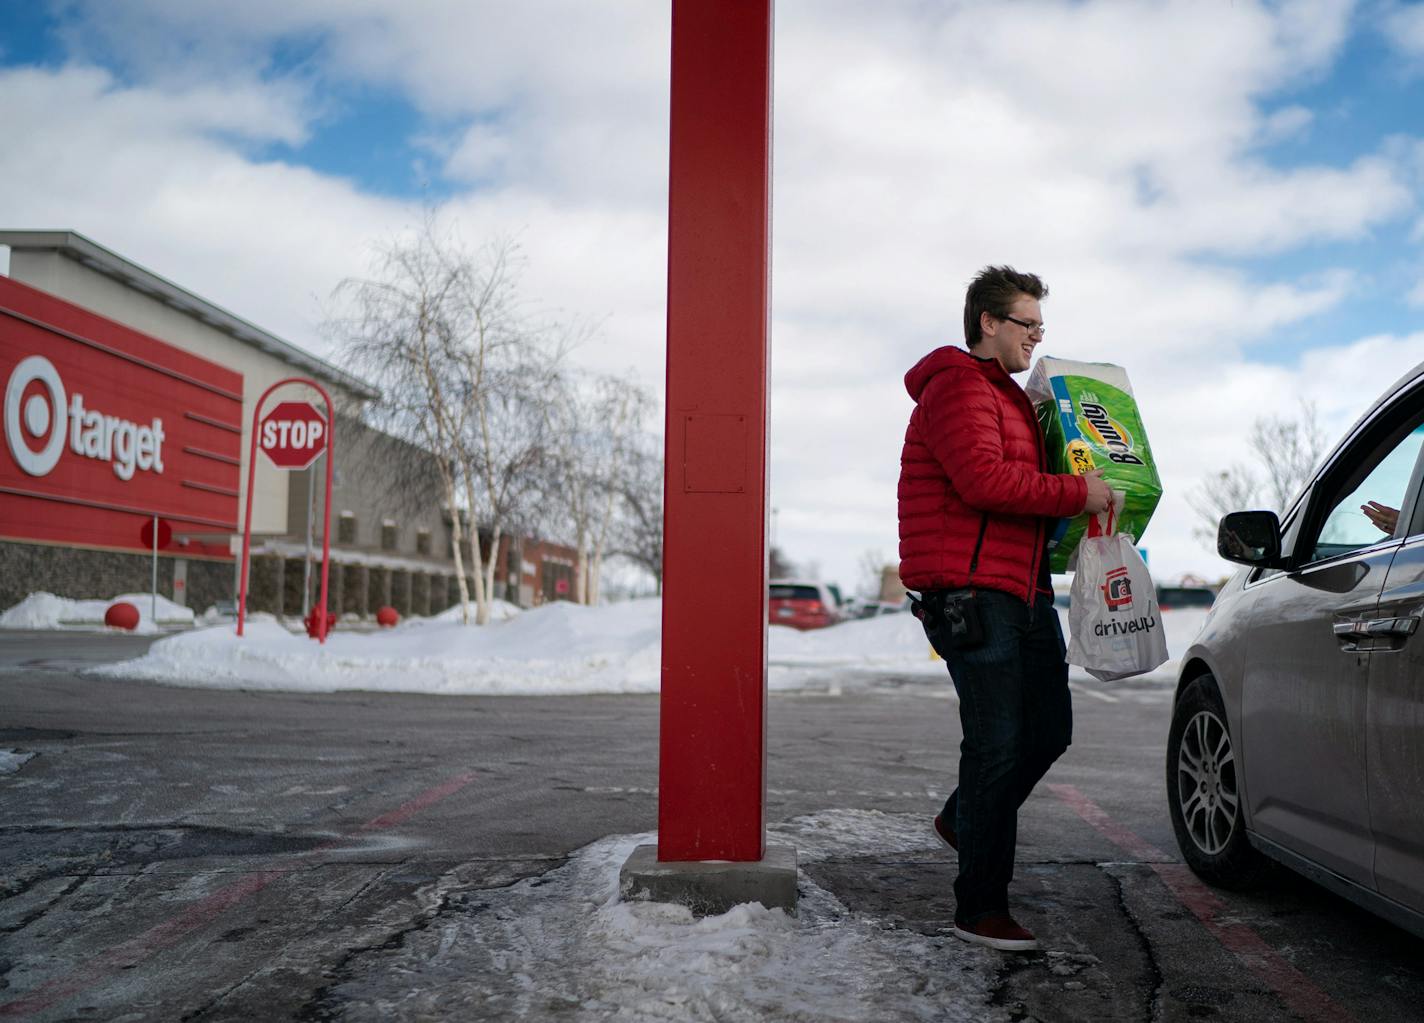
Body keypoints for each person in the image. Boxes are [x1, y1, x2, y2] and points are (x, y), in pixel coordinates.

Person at [898, 265, 1112, 952]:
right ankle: (979, 905)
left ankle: (966, 819)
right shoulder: (959, 386)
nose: (1037, 337)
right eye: (1028, 324)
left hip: (1023, 593)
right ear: (989, 322)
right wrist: (1076, 493)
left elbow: (1028, 487)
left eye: (1041, 326)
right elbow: (984, 480)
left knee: (1047, 729)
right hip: (970, 593)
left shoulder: (1014, 399)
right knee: (995, 746)